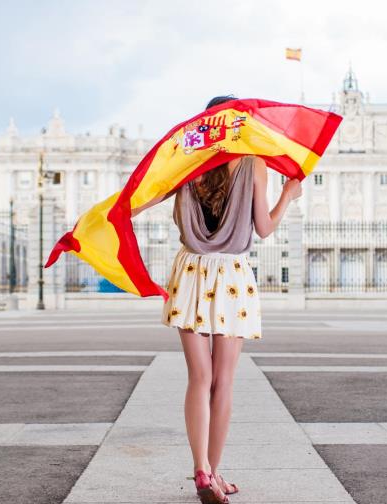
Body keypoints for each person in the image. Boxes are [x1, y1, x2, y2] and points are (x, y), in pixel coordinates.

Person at [132, 95, 303, 504]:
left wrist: (116, 211)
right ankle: (215, 471)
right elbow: (264, 228)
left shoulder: (188, 163)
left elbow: (143, 200)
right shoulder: (253, 163)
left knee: (199, 378)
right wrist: (287, 197)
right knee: (223, 382)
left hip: (190, 273)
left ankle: (202, 471)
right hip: (231, 275)